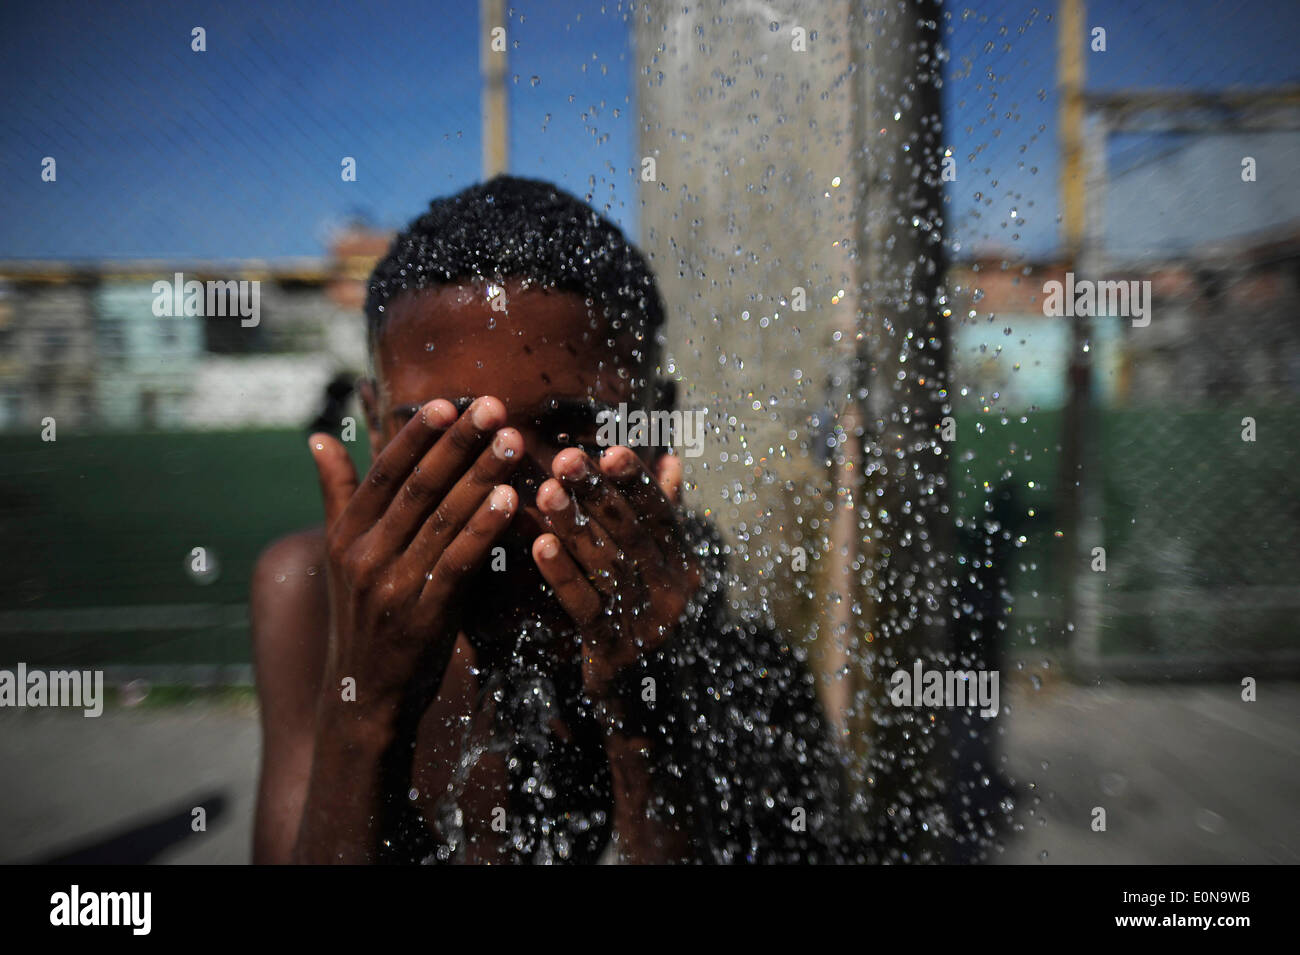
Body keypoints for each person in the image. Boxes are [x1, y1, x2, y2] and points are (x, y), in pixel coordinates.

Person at [251, 175, 846, 864]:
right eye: (452, 435)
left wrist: (641, 716)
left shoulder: (709, 628)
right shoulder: (312, 603)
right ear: (378, 429)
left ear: (657, 429)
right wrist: (364, 710)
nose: (519, 500)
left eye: (573, 430)